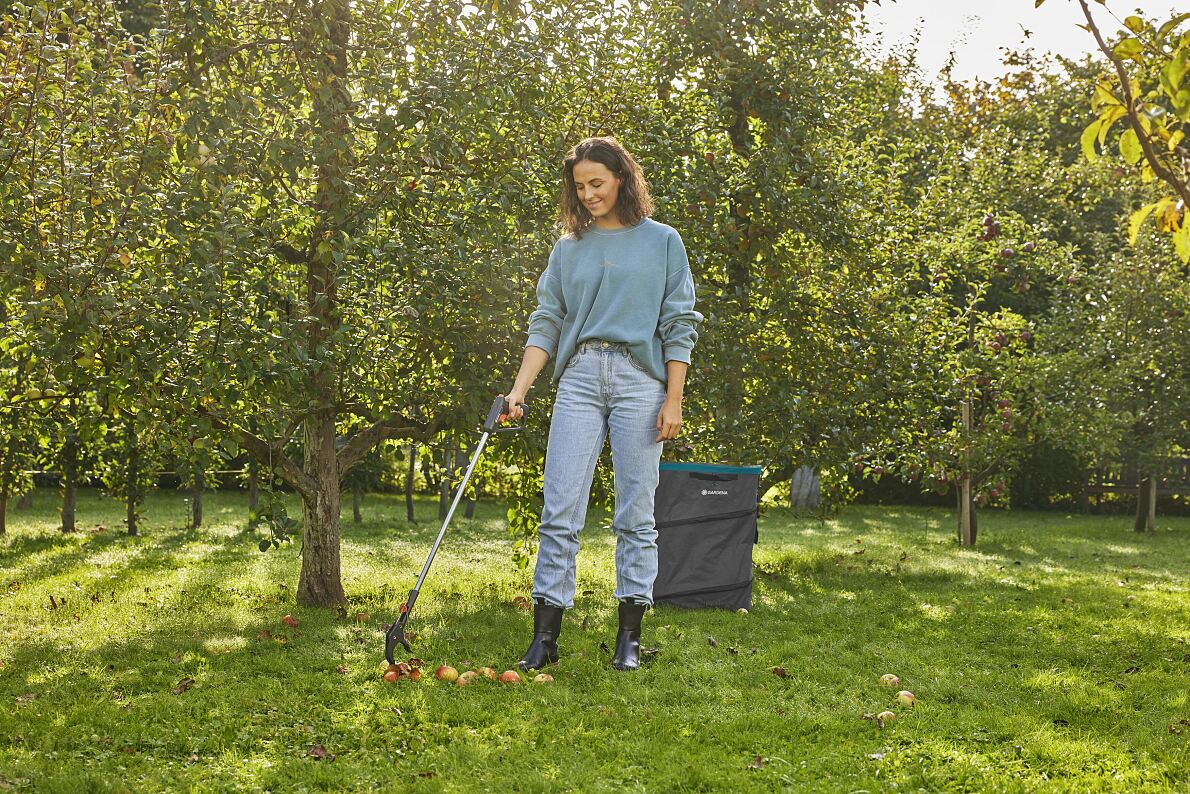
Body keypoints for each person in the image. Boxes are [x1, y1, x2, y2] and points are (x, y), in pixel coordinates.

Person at [502, 136, 704, 671]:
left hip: (642, 382)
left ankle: (629, 639)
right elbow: (547, 320)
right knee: (559, 509)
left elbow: (679, 324)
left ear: (621, 180)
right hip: (581, 379)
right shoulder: (569, 248)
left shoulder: (663, 242)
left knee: (636, 514)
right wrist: (518, 391)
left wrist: (674, 399)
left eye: (597, 183)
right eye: (580, 186)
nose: (589, 194)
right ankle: (545, 639)